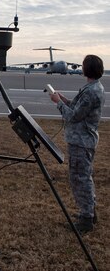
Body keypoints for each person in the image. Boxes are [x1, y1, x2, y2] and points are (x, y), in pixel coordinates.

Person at [49, 54, 105, 234]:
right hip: (83, 140)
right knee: (84, 177)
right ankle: (89, 213)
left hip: (81, 142)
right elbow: (77, 107)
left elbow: (73, 117)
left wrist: (58, 104)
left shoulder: (91, 91)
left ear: (86, 68)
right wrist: (64, 99)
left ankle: (86, 218)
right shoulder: (94, 88)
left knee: (80, 179)